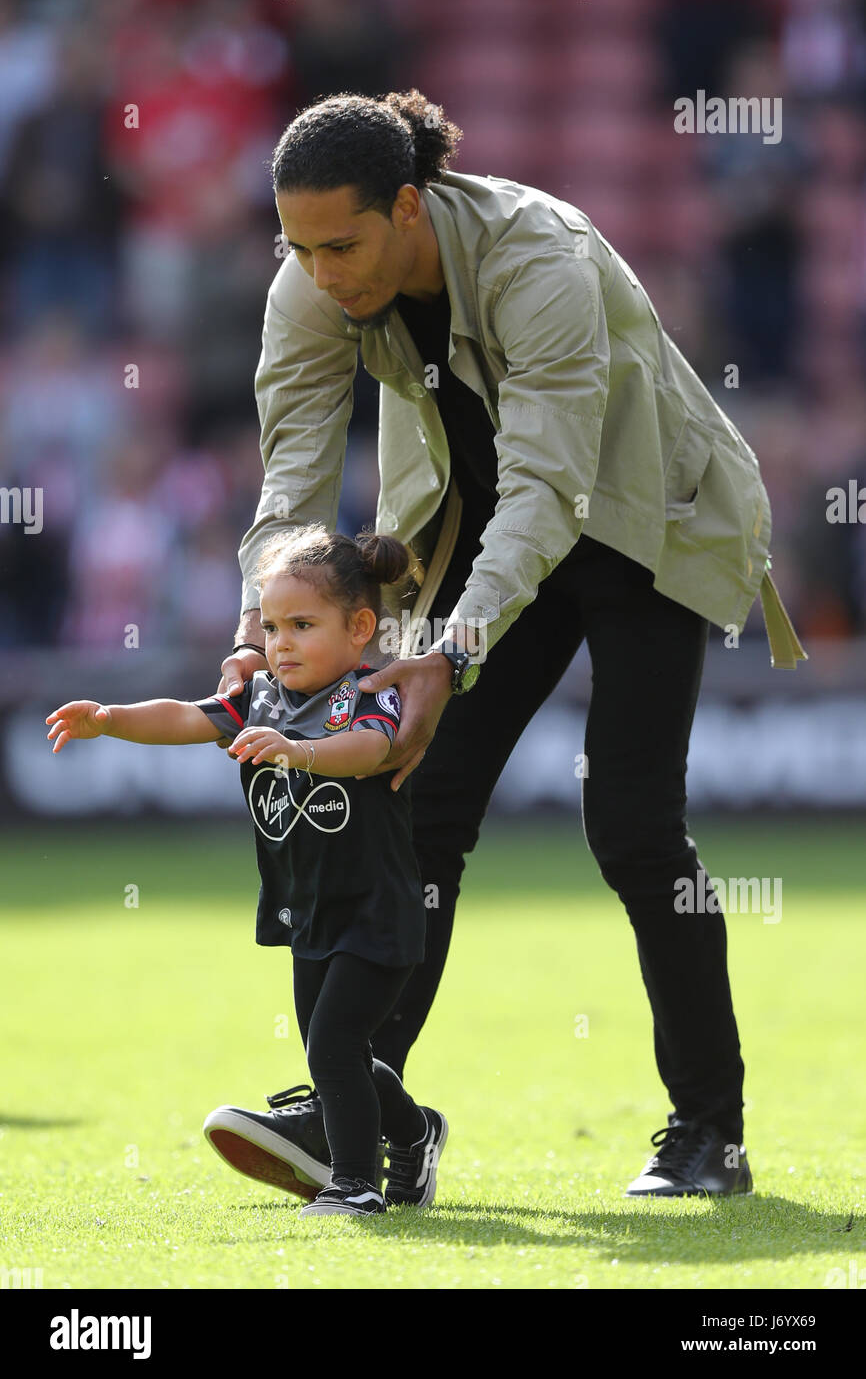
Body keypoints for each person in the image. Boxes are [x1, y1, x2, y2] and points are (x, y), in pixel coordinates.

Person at [218, 89, 808, 1200]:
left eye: (341, 244)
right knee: (412, 791)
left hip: (640, 522)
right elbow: (291, 482)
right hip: (484, 537)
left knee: (633, 829)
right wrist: (260, 624)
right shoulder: (311, 278)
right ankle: (372, 1107)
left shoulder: (538, 257)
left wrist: (442, 655)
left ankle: (706, 1133)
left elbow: (548, 486)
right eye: (297, 247)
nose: (322, 273)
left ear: (406, 204)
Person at [46, 525, 448, 1216]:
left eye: (301, 625)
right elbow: (185, 716)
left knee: (333, 1046)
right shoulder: (258, 698)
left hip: (377, 907)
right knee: (337, 1051)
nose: (281, 642)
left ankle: (354, 1183)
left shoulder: (371, 692)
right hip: (308, 909)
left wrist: (299, 751)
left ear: (358, 628)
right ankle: (415, 1133)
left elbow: (368, 750)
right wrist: (110, 718)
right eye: (270, 626)